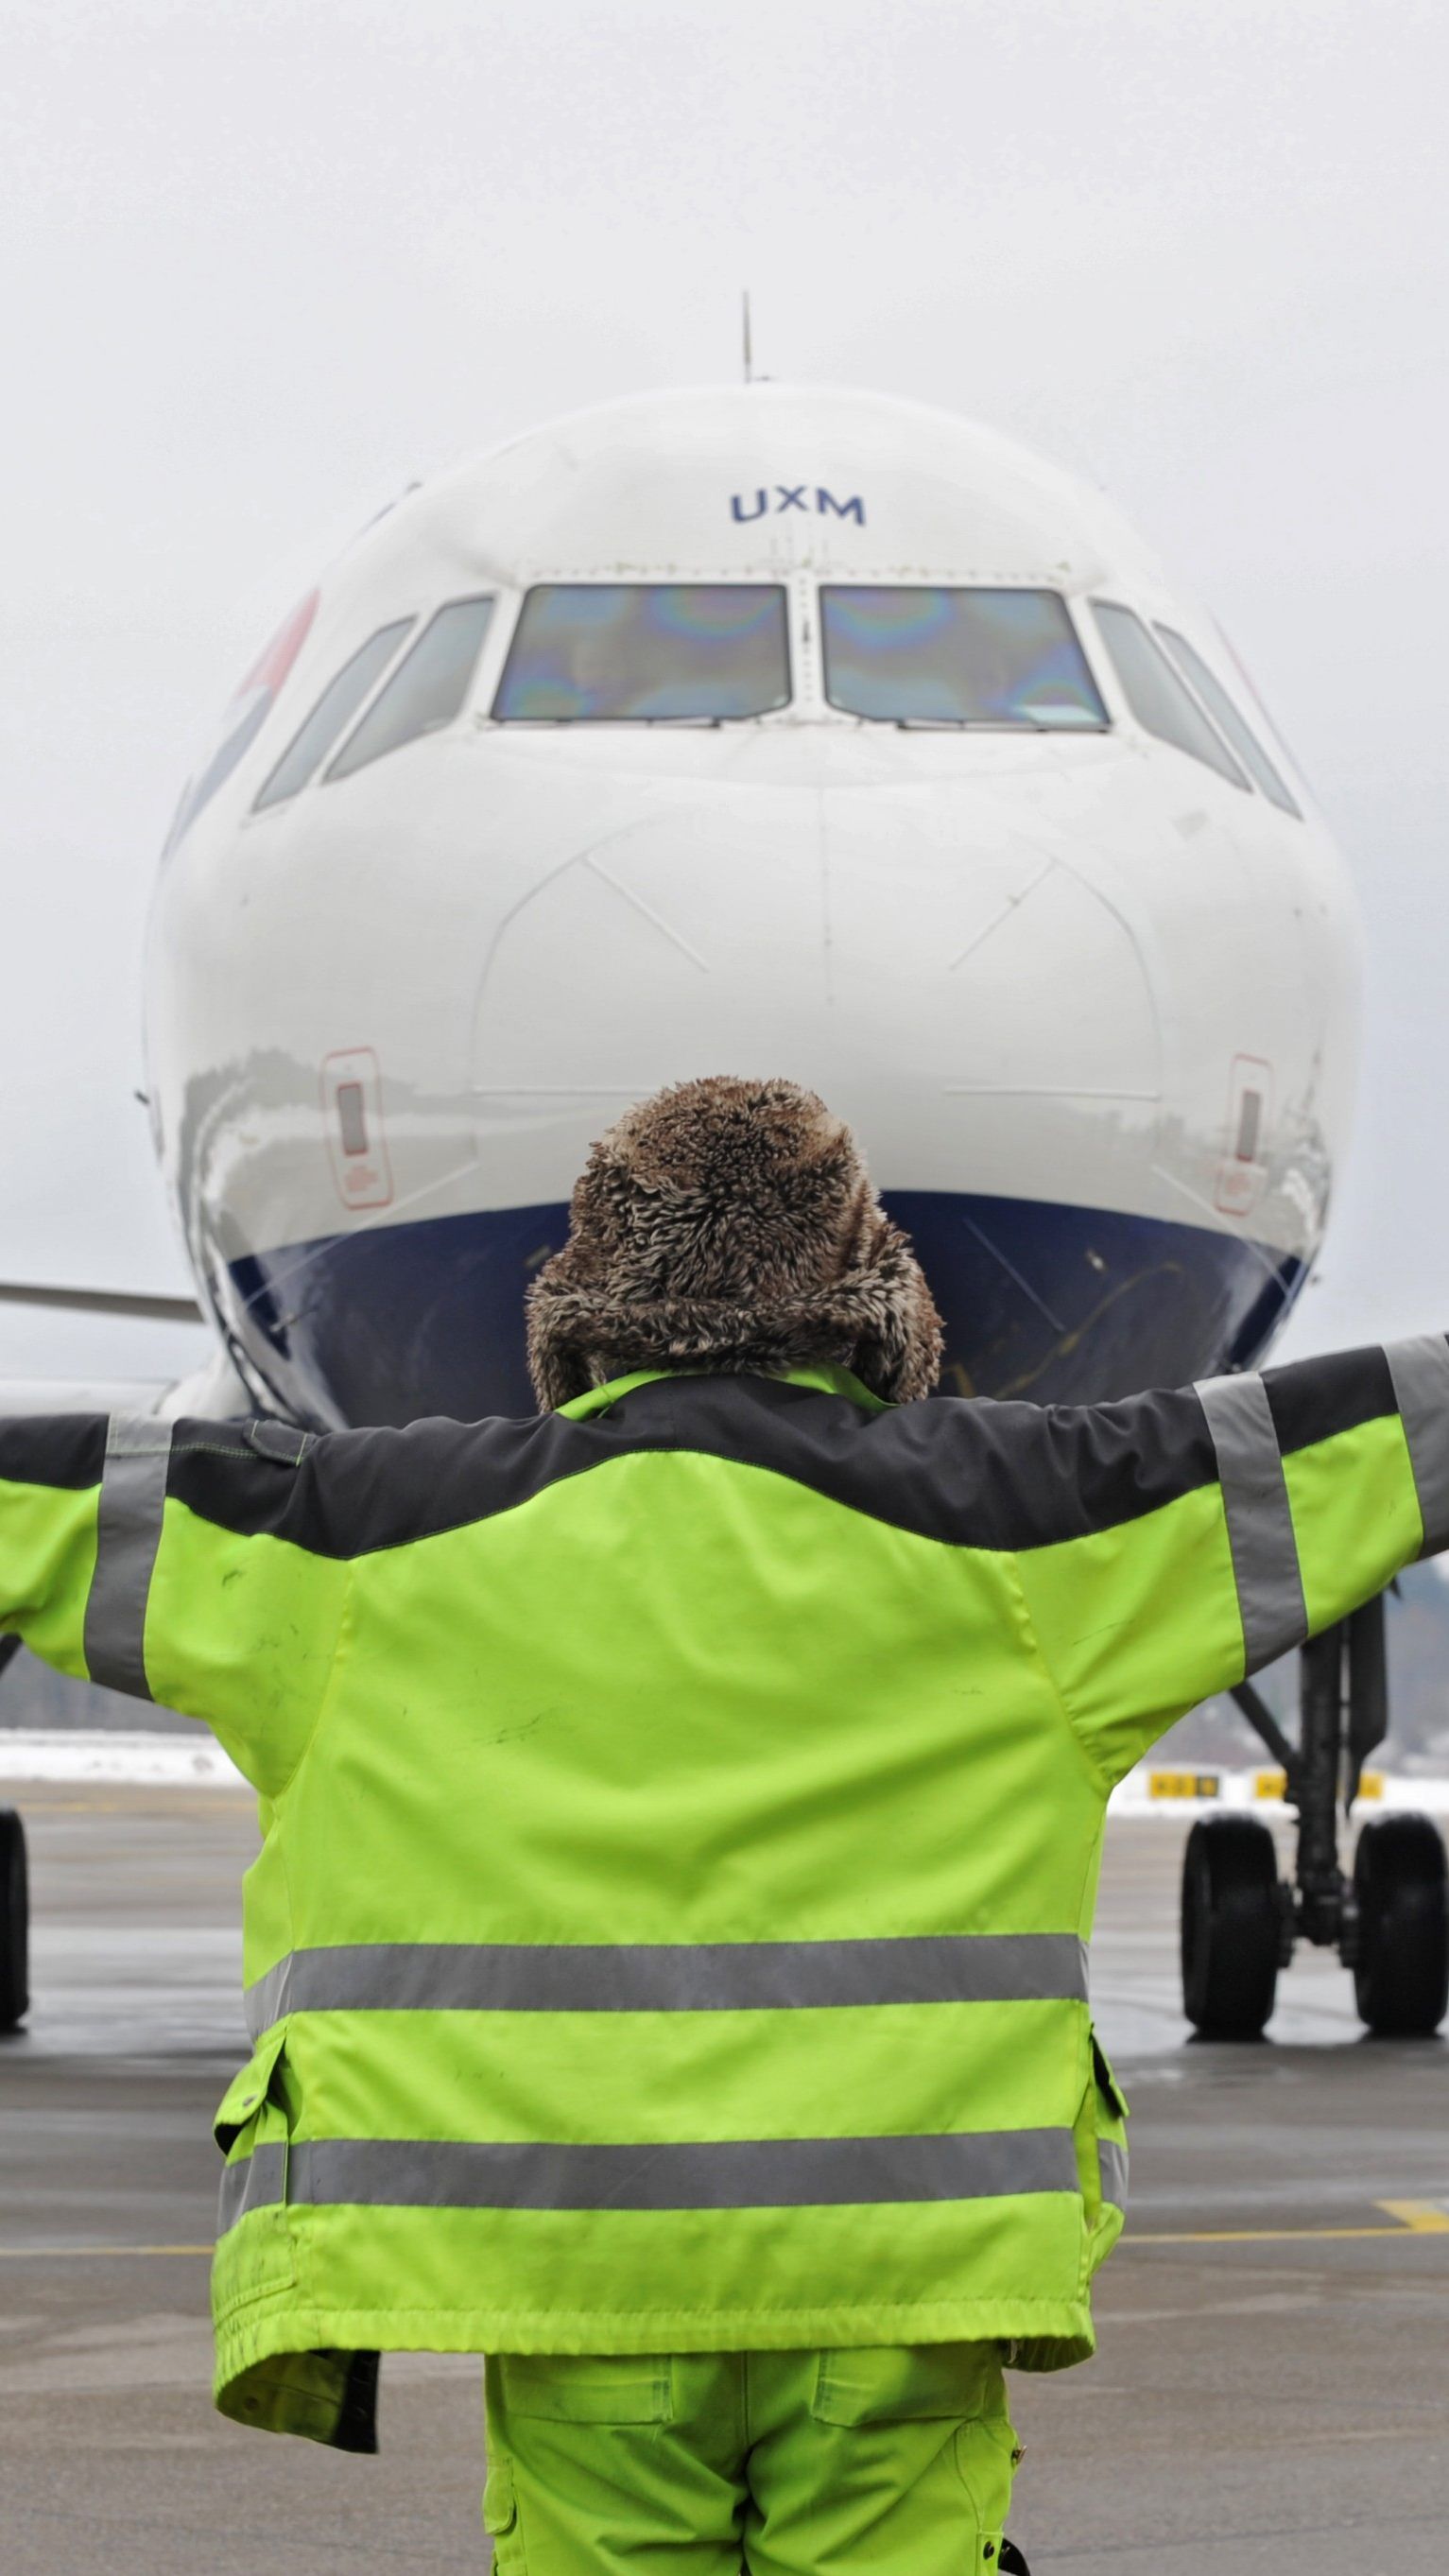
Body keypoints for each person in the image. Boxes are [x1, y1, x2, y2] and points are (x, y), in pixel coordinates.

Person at [1, 1073, 1443, 2573]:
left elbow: (40, 1503)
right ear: (867, 1292)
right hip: (902, 2280)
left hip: (577, 2276)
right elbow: (1368, 1443)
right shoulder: (1028, 1530)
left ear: (580, 1298)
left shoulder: (364, 1543)